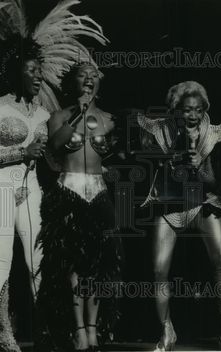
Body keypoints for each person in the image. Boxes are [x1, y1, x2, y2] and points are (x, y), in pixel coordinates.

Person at [0, 1, 108, 351]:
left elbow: (51, 157)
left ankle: (46, 331)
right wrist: (18, 153)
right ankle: (5, 332)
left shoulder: (45, 112)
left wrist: (89, 167)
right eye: (31, 70)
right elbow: (38, 150)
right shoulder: (1, 107)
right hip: (2, 187)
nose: (37, 75)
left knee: (39, 262)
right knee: (2, 262)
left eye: (39, 70)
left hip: (31, 187)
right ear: (16, 70)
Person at [138, 81, 221, 351]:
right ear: (175, 111)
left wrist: (199, 167)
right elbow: (160, 170)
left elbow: (212, 183)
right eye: (185, 110)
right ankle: (166, 331)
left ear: (203, 110)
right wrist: (175, 157)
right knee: (159, 269)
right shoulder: (159, 133)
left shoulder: (213, 134)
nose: (191, 116)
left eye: (196, 110)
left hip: (202, 203)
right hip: (169, 205)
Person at [37, 62, 123, 352]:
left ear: (99, 82)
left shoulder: (110, 119)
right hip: (68, 191)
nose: (88, 79)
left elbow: (115, 157)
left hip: (98, 193)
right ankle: (77, 330)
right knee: (72, 265)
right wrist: (79, 113)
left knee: (97, 264)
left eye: (93, 75)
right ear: (73, 82)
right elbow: (55, 145)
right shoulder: (59, 115)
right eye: (82, 75)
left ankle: (92, 327)